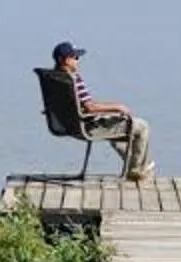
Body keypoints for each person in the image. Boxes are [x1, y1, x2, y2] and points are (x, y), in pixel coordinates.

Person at [55, 40, 151, 180]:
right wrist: (117, 106)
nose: (78, 60)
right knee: (142, 126)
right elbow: (90, 107)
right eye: (75, 57)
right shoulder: (73, 79)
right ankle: (135, 170)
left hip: (69, 125)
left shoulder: (54, 79)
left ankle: (134, 164)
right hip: (88, 127)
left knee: (117, 125)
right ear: (65, 60)